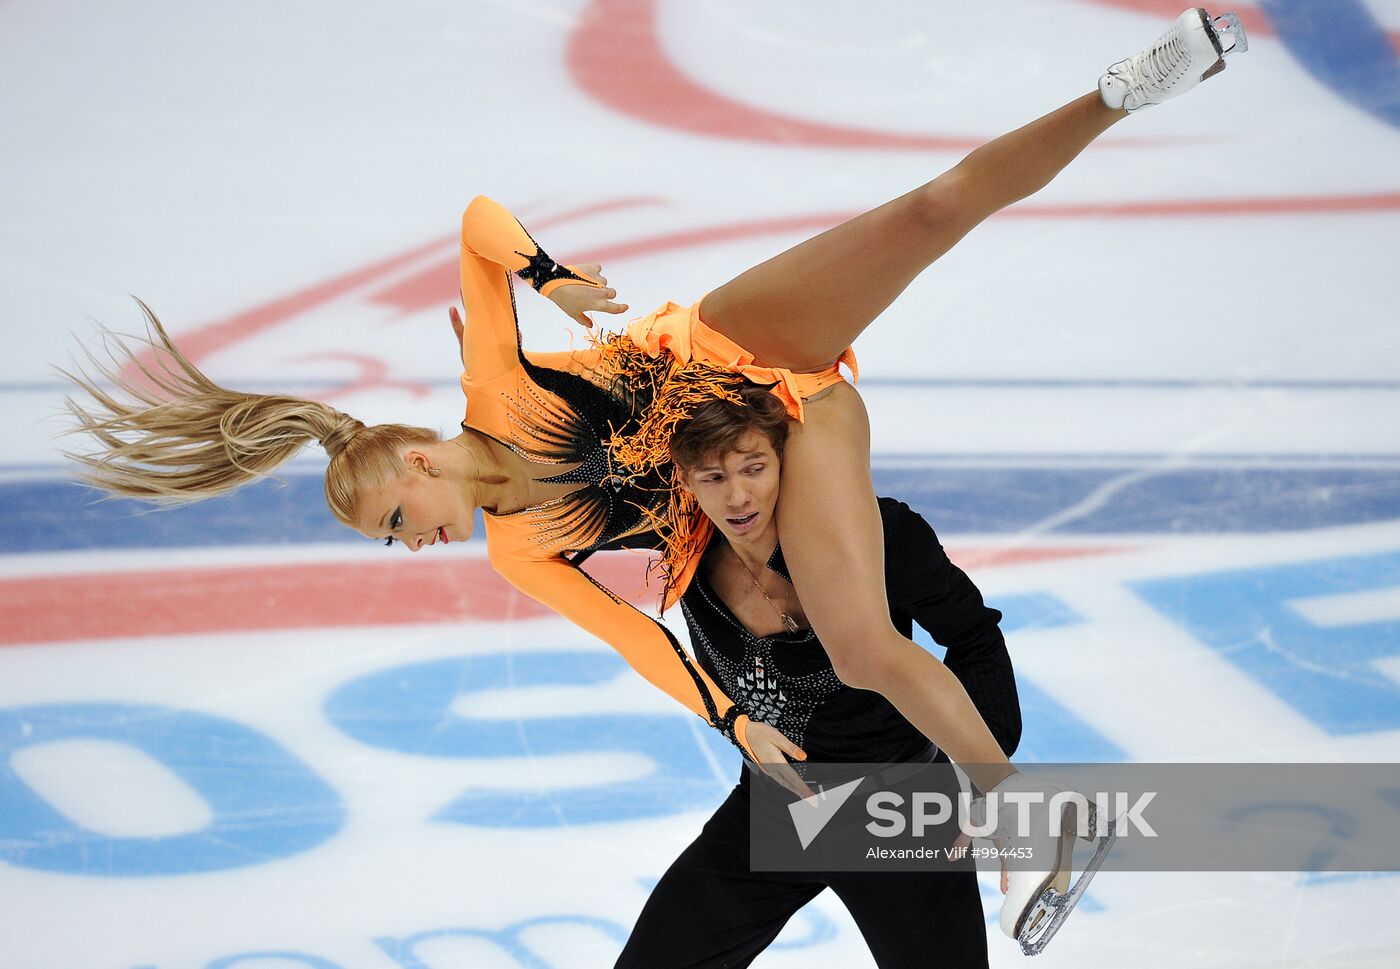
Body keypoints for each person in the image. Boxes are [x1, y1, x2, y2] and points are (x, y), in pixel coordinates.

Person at [61, 8, 1247, 944]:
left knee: (930, 209)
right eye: (393, 540)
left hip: (735, 348)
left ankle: (1124, 87)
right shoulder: (521, 549)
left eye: (394, 520)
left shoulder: (497, 391)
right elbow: (638, 639)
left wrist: (550, 275)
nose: (408, 543)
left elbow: (474, 219)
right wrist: (728, 714)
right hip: (782, 440)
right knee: (857, 647)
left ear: (416, 460)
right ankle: (1038, 814)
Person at [613, 385, 1021, 968]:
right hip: (773, 810)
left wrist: (985, 766)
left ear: (785, 457)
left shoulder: (875, 534)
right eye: (712, 478)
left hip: (897, 816)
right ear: (683, 479)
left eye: (754, 469)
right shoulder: (682, 540)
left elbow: (973, 634)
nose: (738, 497)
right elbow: (547, 488)